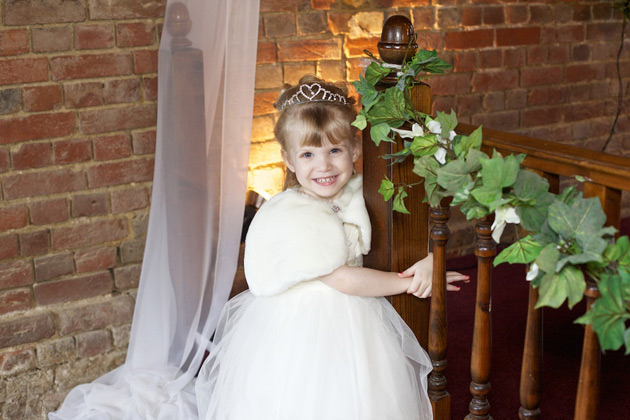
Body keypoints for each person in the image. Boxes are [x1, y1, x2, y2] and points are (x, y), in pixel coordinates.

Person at [195, 76, 469, 420]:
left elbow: (402, 226)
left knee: (366, 398)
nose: (323, 166)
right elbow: (343, 280)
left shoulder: (359, 192)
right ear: (289, 160)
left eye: (334, 151)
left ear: (355, 149)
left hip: (353, 313)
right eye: (308, 154)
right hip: (306, 321)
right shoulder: (296, 213)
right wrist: (406, 281)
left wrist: (429, 259)